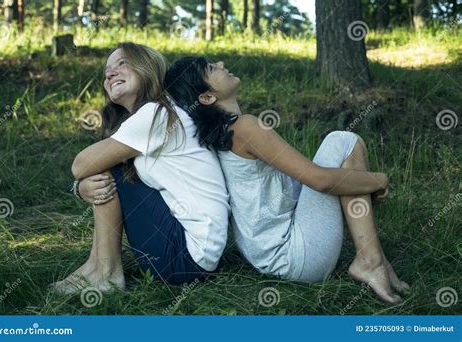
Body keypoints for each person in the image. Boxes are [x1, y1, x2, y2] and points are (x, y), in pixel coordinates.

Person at [164, 56, 411, 304]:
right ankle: (370, 261)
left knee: (342, 163)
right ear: (206, 98)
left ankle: (374, 256)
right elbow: (320, 180)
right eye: (210, 68)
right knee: (343, 142)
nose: (219, 63)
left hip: (269, 256)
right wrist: (379, 179)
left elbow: (301, 183)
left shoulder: (223, 136)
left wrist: (358, 183)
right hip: (295, 256)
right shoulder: (245, 128)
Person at [51, 44, 230, 293]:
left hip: (185, 258)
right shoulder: (161, 112)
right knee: (108, 168)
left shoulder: (156, 114)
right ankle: (95, 266)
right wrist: (81, 187)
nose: (110, 73)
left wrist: (81, 185)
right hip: (198, 255)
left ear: (148, 68)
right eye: (107, 71)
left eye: (122, 63)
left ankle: (106, 274)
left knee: (104, 170)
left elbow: (81, 164)